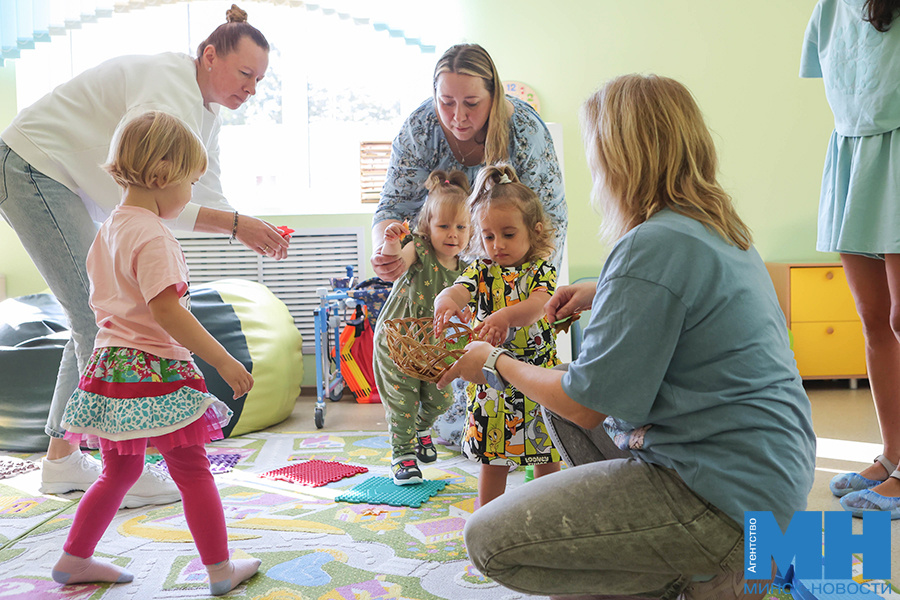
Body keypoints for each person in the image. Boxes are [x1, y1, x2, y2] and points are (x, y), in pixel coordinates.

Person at [437, 75, 816, 599]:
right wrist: (602, 290)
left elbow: (587, 404)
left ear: (621, 160)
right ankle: (697, 564)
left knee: (488, 538)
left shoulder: (648, 246)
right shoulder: (721, 230)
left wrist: (495, 363)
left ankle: (693, 570)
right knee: (557, 396)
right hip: (773, 483)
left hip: (723, 501)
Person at [0, 4, 288, 506]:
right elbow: (168, 193)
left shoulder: (205, 113)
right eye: (245, 73)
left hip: (68, 184)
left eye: (259, 80)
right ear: (209, 56)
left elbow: (202, 195)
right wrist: (238, 226)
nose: (251, 88)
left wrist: (242, 226)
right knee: (95, 316)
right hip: (33, 166)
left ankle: (63, 460)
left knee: (93, 316)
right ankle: (118, 465)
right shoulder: (168, 85)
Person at [51, 111, 260, 596]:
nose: (191, 192)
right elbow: (167, 311)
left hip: (109, 367)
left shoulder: (110, 229)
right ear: (163, 175)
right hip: (155, 369)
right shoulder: (152, 234)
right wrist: (224, 360)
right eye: (191, 181)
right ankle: (220, 570)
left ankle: (73, 558)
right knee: (192, 470)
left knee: (118, 471)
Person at [801, 0, 900, 518]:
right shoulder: (829, 8)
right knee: (873, 319)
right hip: (853, 153)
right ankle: (892, 455)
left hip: (898, 150)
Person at [371, 43, 566, 281]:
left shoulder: (526, 133)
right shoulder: (420, 129)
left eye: (472, 103)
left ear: (494, 96)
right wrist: (386, 253)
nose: (458, 116)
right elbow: (394, 206)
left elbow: (547, 220)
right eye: (446, 102)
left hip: (513, 269)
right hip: (439, 272)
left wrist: (529, 292)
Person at [433, 163, 561, 507]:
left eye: (508, 234)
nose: (496, 245)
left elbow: (538, 306)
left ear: (534, 233)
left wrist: (504, 316)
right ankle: (486, 519)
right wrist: (444, 301)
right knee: (493, 460)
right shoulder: (480, 270)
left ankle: (549, 514)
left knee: (546, 454)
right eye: (488, 236)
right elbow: (459, 291)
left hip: (537, 381)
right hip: (491, 384)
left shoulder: (540, 272)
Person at [372, 169, 472, 486]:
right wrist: (390, 243)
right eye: (443, 226)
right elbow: (396, 257)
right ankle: (403, 456)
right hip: (398, 341)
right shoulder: (420, 250)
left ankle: (421, 428)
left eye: (461, 227)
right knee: (402, 403)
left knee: (441, 400)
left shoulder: (468, 269)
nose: (452, 234)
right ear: (427, 227)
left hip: (435, 349)